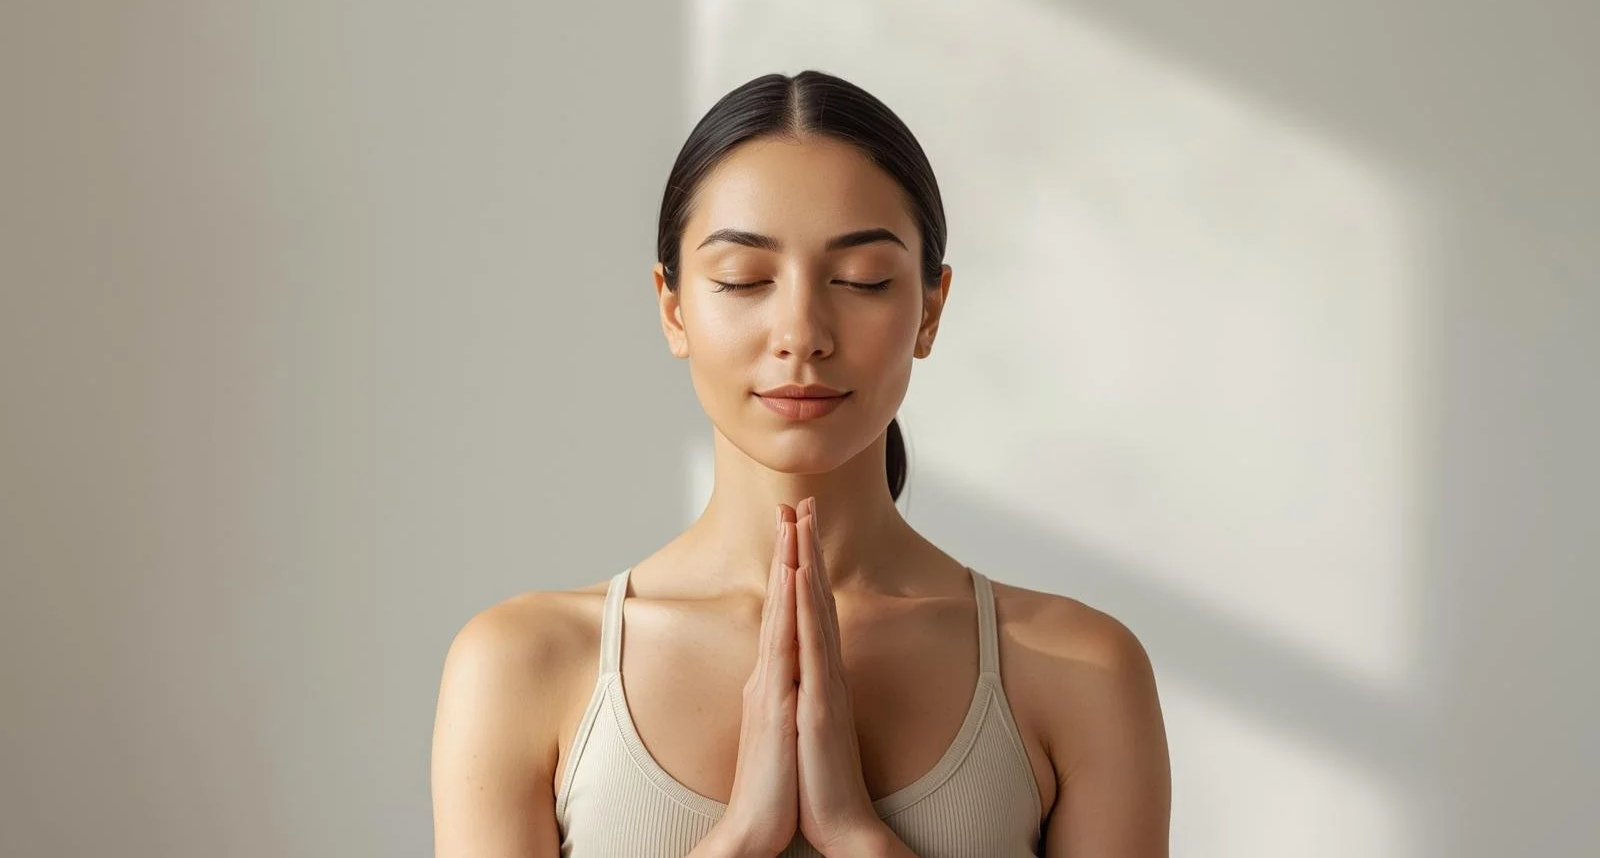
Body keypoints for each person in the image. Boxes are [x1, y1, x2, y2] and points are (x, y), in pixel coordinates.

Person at [431, 70, 1171, 857]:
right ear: (673, 306)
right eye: (744, 280)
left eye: (862, 281)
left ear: (930, 308)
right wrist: (742, 836)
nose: (801, 332)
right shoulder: (521, 665)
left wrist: (860, 836)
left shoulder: (1079, 671)